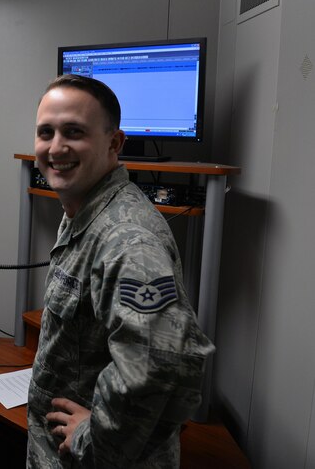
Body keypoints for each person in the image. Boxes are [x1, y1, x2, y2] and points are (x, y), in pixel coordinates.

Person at [27, 74, 215, 468]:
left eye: (74, 132)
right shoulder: (83, 213)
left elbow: (163, 364)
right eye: (46, 132)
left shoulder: (127, 239)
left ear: (114, 143)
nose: (56, 147)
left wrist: (90, 438)